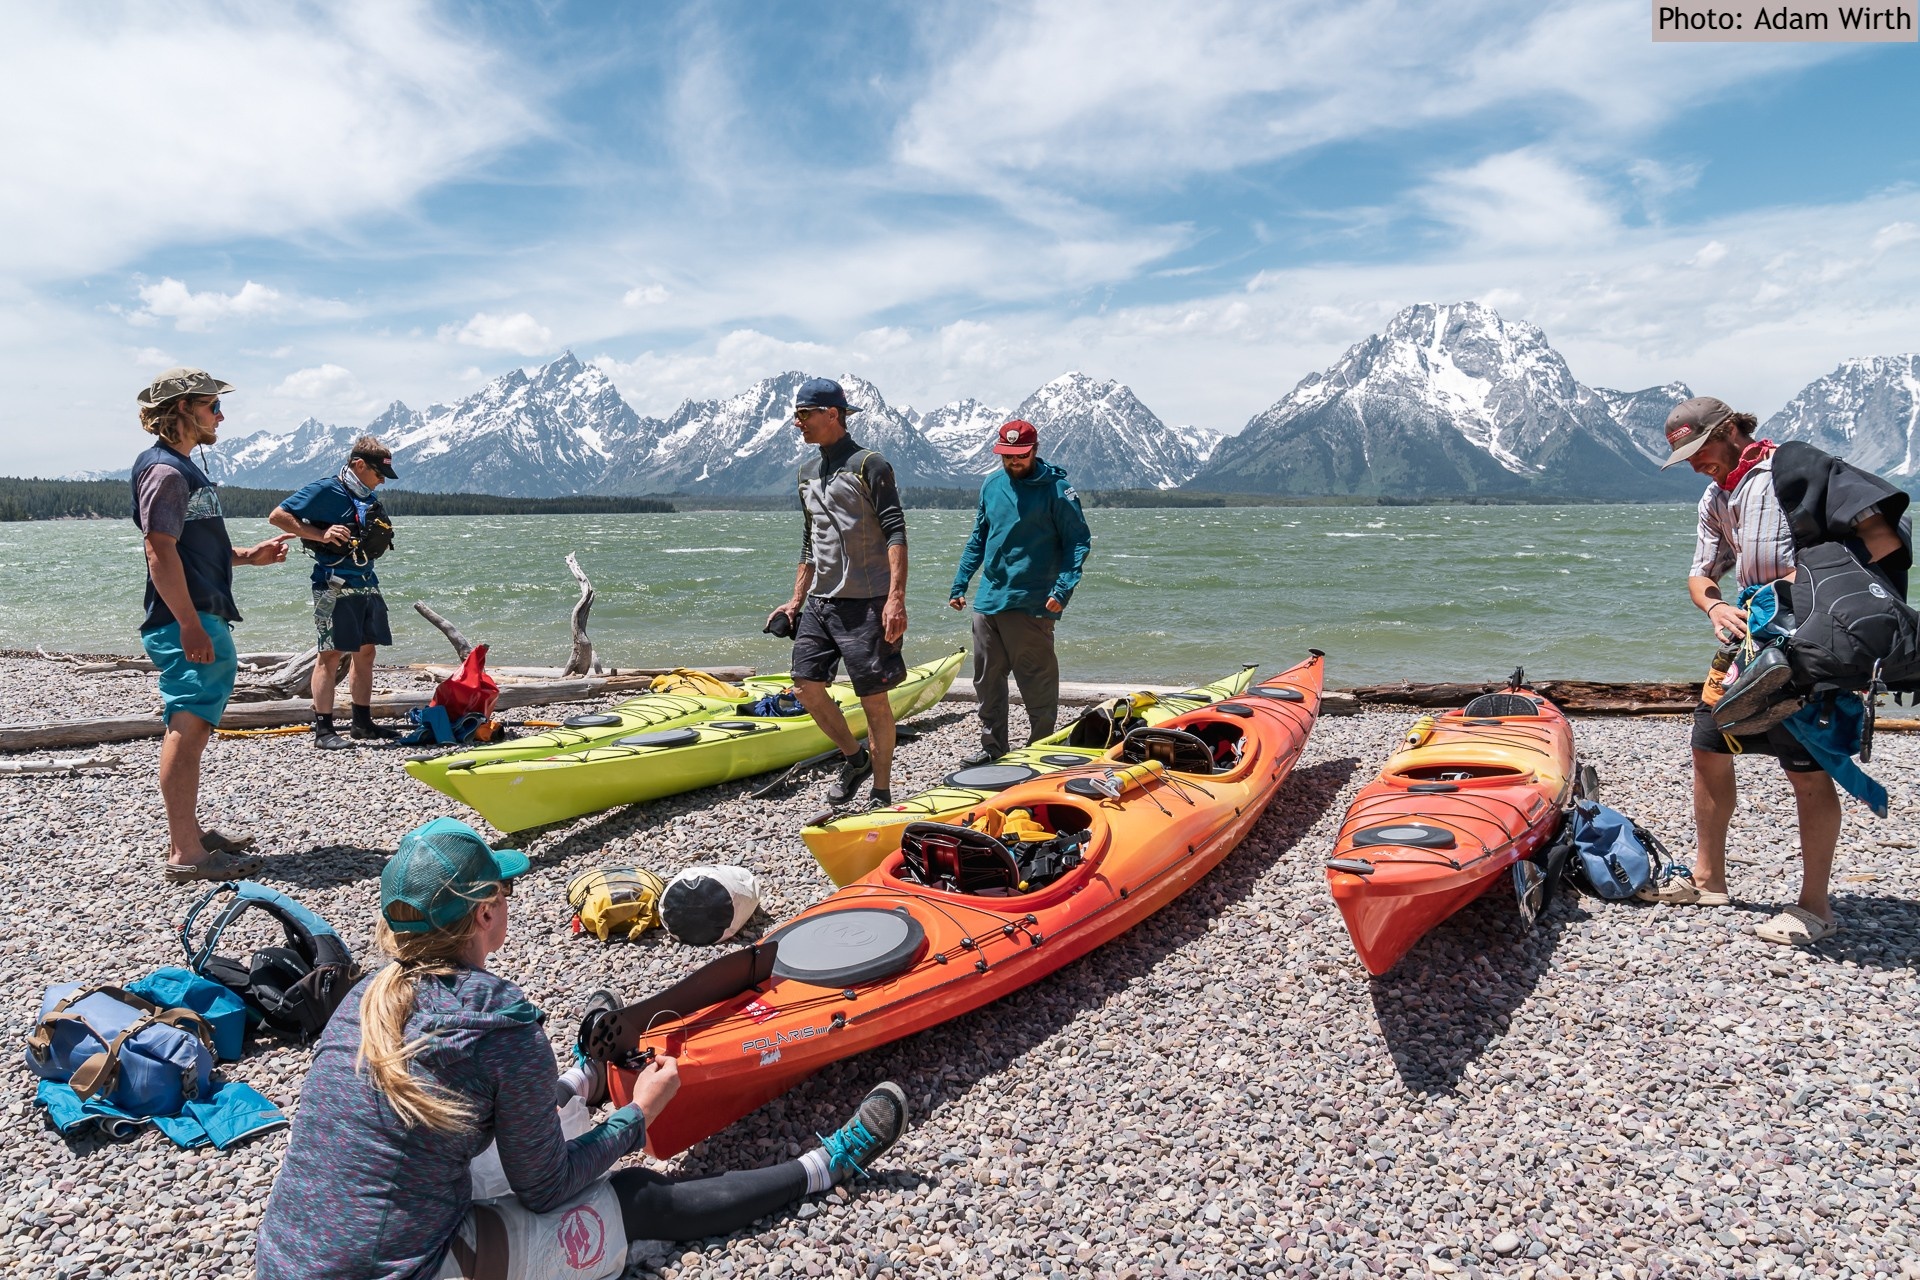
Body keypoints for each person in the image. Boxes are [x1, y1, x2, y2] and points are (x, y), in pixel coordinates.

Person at [254, 817, 910, 1280]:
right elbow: (547, 1189)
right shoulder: (498, 1022)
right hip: (408, 1269)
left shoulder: (363, 998)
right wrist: (638, 1114)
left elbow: (466, 1106)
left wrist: (580, 1089)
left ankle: (586, 1079)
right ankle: (826, 1166)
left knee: (508, 1133)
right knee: (630, 1197)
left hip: (284, 1261)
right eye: (505, 893)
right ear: (485, 914)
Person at [1644, 395, 1907, 945]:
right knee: (1708, 743)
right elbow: (1701, 574)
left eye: (1700, 449)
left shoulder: (1795, 468)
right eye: (1685, 456)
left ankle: (1815, 907)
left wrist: (1817, 590)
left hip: (1811, 642)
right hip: (1754, 648)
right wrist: (1716, 605)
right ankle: (1708, 879)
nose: (1695, 463)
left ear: (1730, 429)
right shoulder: (1716, 496)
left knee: (1807, 768)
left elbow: (1884, 541)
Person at [131, 368, 293, 884]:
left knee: (193, 724)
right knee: (189, 723)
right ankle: (186, 854)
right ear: (182, 410)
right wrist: (188, 626)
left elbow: (197, 547)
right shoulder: (167, 472)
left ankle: (191, 835)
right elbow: (160, 550)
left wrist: (249, 556)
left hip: (197, 612)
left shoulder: (175, 467)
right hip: (188, 617)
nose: (220, 415)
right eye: (211, 406)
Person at [766, 378, 910, 807]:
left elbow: (895, 532)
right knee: (805, 686)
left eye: (804, 414)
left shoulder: (871, 464)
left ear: (833, 414)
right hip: (821, 603)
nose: (798, 423)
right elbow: (811, 539)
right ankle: (855, 757)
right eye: (796, 415)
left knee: (874, 701)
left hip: (868, 604)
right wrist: (795, 600)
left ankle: (881, 793)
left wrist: (896, 598)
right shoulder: (806, 472)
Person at [948, 419, 1092, 766]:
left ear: (1035, 450)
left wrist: (1063, 589)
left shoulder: (1058, 489)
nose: (1013, 462)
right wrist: (960, 581)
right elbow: (978, 537)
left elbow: (1078, 541)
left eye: (1020, 456)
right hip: (988, 599)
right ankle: (992, 747)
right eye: (1007, 456)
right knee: (986, 678)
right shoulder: (992, 485)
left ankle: (1040, 748)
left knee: (1037, 682)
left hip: (1032, 602)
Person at [268, 436, 401, 750]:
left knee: (367, 651)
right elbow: (278, 515)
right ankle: (324, 730)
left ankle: (362, 723)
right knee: (329, 654)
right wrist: (320, 533)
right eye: (378, 474)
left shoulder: (366, 496)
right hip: (331, 584)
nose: (382, 481)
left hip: (367, 582)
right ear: (358, 465)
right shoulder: (326, 490)